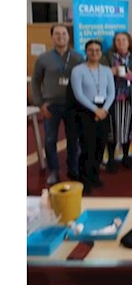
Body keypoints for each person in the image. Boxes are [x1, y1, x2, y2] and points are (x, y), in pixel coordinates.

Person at [30, 24, 84, 184]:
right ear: (52, 37)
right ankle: (53, 171)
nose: (61, 37)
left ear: (69, 36)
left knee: (73, 139)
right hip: (51, 105)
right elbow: (35, 82)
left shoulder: (78, 58)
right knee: (50, 140)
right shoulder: (43, 58)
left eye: (64, 33)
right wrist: (40, 104)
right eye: (57, 34)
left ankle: (73, 169)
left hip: (73, 104)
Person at [70, 40, 115, 194]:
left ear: (101, 53)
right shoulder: (78, 70)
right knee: (87, 147)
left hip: (104, 111)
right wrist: (95, 110)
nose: (94, 53)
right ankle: (85, 180)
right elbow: (78, 94)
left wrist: (104, 110)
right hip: (86, 111)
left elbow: (111, 93)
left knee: (100, 145)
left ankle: (95, 176)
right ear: (86, 52)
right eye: (91, 50)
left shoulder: (107, 70)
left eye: (97, 50)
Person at [101, 32, 132, 172]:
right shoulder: (107, 57)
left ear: (129, 42)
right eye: (118, 40)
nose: (121, 43)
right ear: (114, 43)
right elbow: (98, 74)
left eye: (124, 40)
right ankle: (111, 159)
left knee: (126, 128)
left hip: (129, 99)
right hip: (111, 99)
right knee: (111, 129)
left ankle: (126, 156)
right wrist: (110, 71)